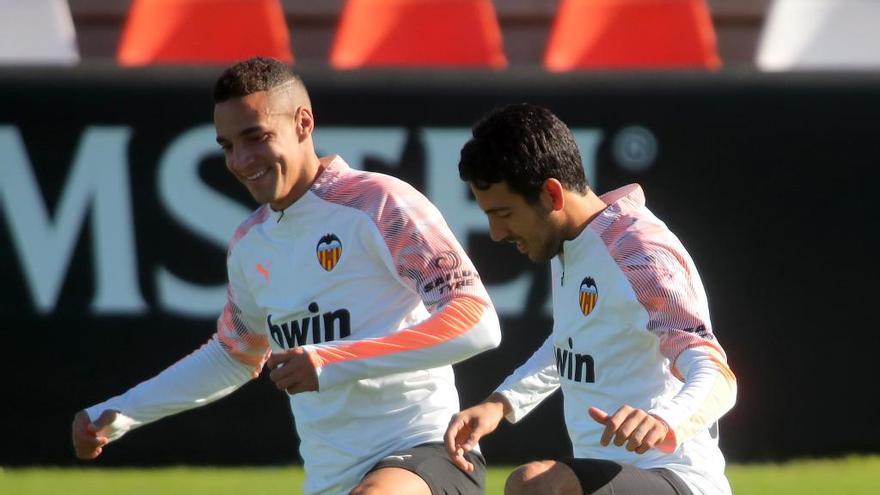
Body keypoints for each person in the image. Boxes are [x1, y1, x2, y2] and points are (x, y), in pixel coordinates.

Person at [71, 57, 501, 495]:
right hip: (330, 480)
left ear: (303, 123)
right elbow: (233, 355)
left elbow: (477, 320)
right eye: (227, 146)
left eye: (256, 138)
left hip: (428, 451)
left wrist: (330, 361)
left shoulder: (378, 203)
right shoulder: (250, 243)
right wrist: (121, 412)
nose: (241, 160)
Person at [445, 103, 737, 495]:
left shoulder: (638, 251)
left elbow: (715, 370)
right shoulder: (572, 244)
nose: (496, 233)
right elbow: (573, 341)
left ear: (551, 194)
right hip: (612, 474)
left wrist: (665, 421)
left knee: (535, 485)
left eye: (504, 213)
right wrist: (501, 403)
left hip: (676, 476)